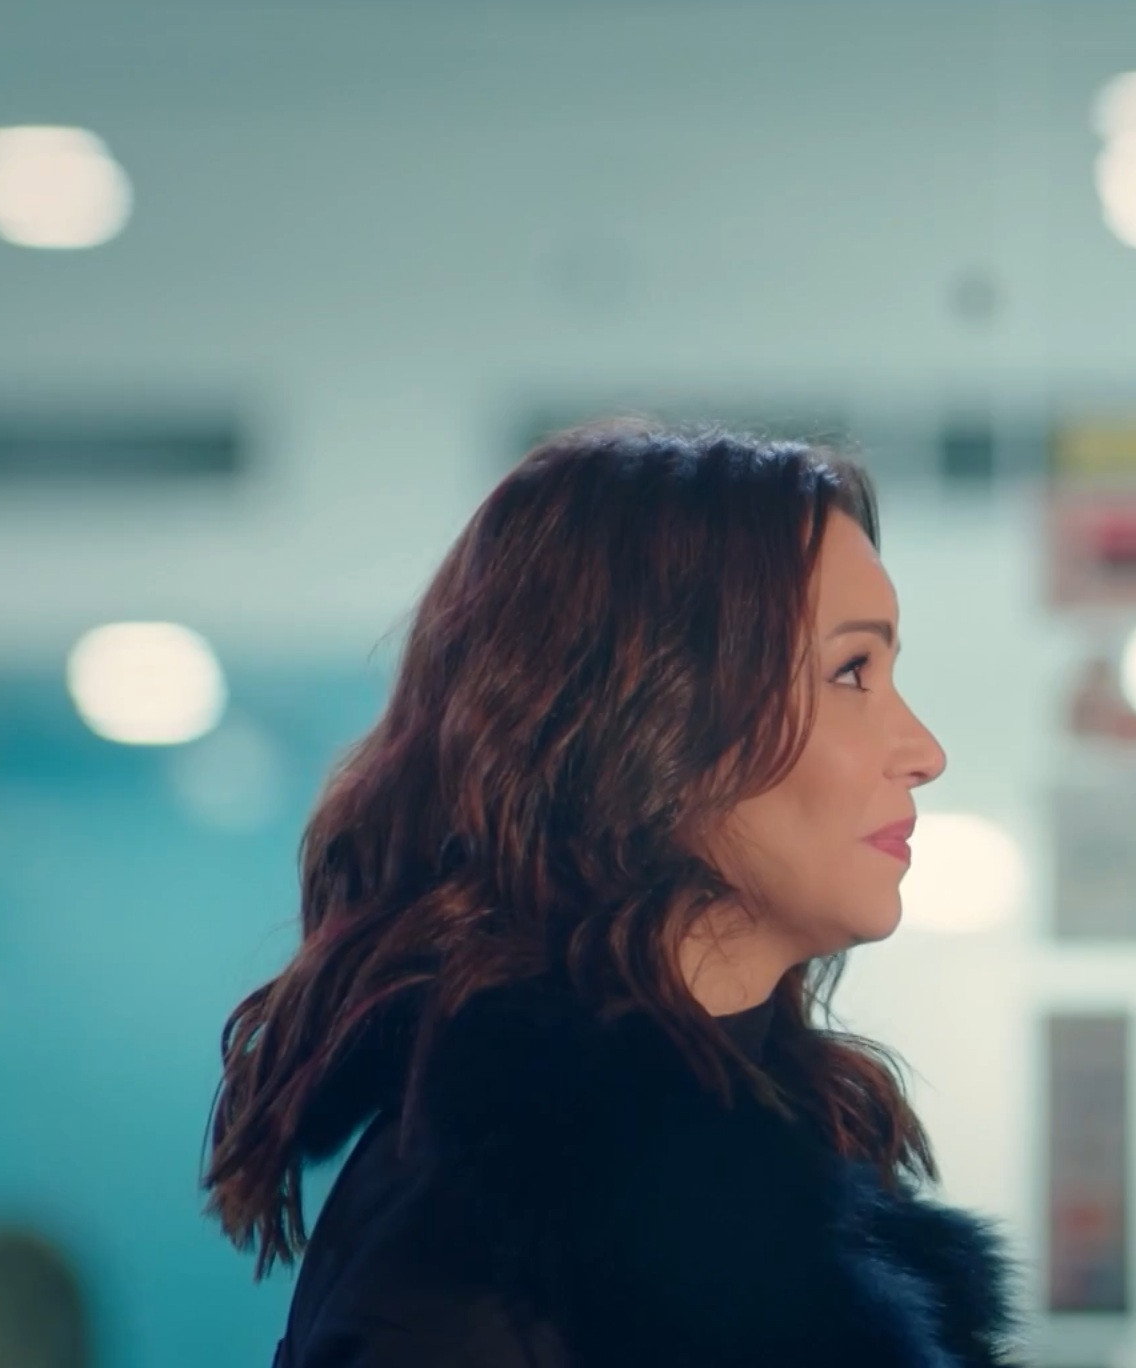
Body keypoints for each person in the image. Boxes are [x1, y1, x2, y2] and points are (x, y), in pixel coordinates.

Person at [203, 423, 1019, 1367]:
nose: (924, 751)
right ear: (653, 717)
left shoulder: (790, 1176)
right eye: (851, 673)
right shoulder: (483, 1263)